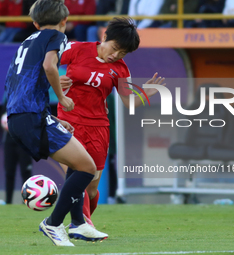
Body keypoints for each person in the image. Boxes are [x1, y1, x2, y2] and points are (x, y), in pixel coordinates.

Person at [5, 0, 107, 246]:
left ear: (35, 23)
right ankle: (52, 224)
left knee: (78, 162)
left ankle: (79, 223)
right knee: (87, 168)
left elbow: (17, 83)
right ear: (65, 20)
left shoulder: (26, 41)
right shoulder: (57, 37)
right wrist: (61, 98)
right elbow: (50, 66)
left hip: (21, 116)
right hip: (32, 117)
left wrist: (53, 117)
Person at [58, 17, 165, 228]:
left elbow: (128, 102)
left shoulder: (121, 69)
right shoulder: (76, 49)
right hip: (67, 123)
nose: (116, 55)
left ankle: (84, 222)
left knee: (90, 188)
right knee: (76, 178)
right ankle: (82, 226)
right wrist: (53, 81)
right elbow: (43, 66)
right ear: (104, 36)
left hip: (98, 128)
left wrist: (146, 93)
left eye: (122, 53)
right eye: (115, 48)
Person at [0, 93, 33, 204]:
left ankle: (27, 201)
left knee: (26, 172)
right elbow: (4, 117)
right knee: (9, 172)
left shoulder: (28, 99)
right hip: (9, 142)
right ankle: (8, 202)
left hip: (24, 141)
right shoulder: (8, 98)